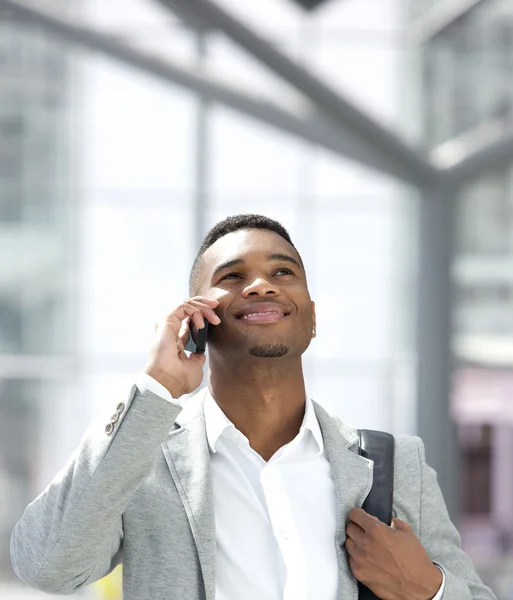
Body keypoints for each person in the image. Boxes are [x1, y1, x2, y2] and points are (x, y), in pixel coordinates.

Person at [11, 214, 496, 600]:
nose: (262, 285)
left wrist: (427, 590)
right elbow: (48, 566)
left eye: (283, 271)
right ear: (198, 318)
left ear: (310, 317)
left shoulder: (394, 462)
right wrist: (157, 386)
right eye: (233, 276)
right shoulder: (144, 459)